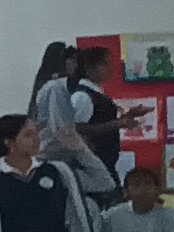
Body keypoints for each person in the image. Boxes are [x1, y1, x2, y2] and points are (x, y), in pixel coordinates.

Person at [35, 46, 123, 201]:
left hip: (100, 163)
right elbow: (73, 128)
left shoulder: (91, 92)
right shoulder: (67, 91)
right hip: (86, 166)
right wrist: (117, 124)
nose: (111, 68)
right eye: (106, 63)